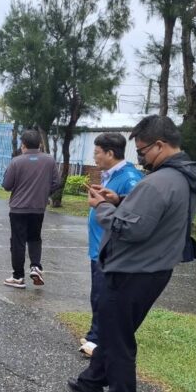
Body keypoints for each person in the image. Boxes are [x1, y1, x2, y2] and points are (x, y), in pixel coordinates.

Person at [68, 115, 196, 392]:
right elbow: (154, 214)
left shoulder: (159, 182)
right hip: (154, 267)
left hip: (134, 270)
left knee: (118, 337)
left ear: (159, 145)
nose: (140, 158)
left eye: (142, 151)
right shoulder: (182, 178)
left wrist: (102, 207)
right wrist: (121, 200)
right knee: (117, 329)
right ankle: (91, 383)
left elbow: (129, 230)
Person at [79, 133, 143, 358]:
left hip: (110, 250)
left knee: (104, 295)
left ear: (110, 153)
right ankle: (94, 334)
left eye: (97, 152)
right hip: (98, 247)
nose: (94, 157)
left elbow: (135, 212)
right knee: (97, 293)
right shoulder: (109, 175)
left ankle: (97, 340)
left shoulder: (130, 178)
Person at [0, 128, 61, 289]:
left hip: (18, 209)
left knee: (18, 242)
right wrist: (44, 192)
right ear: (40, 144)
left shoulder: (16, 161)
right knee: (34, 238)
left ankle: (18, 276)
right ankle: (36, 266)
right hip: (38, 208)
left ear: (23, 144)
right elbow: (56, 182)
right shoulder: (49, 160)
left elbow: (6, 185)